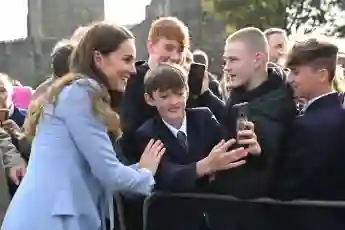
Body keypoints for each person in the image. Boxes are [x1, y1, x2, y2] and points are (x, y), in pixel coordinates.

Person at [1, 22, 166, 230]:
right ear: (98, 58)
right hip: (51, 219)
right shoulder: (80, 94)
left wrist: (139, 170)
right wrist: (146, 175)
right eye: (126, 60)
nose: (133, 70)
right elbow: (109, 173)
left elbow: (97, 168)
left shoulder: (77, 93)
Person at [133, 63, 260, 230]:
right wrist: (204, 167)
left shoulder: (203, 117)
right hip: (172, 220)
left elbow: (226, 150)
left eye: (179, 94)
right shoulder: (147, 132)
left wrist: (251, 150)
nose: (174, 102)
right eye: (164, 97)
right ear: (150, 99)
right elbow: (163, 175)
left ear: (187, 92)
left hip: (211, 217)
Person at [208, 27, 296, 230]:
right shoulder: (238, 97)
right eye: (225, 60)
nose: (226, 67)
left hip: (258, 218)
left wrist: (258, 154)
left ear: (257, 59)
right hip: (231, 213)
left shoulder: (279, 105)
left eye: (233, 60)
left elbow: (269, 171)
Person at [120, 17, 224, 164]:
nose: (175, 56)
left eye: (180, 50)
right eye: (168, 48)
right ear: (151, 47)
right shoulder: (131, 81)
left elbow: (224, 122)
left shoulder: (195, 81)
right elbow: (128, 136)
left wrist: (206, 95)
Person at [274, 38, 345, 230]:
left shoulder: (307, 125)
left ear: (322, 75)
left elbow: (291, 185)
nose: (290, 79)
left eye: (296, 72)